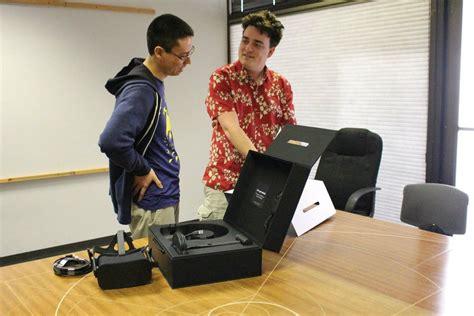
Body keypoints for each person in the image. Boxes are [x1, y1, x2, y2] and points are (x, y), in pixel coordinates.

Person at [99, 14, 194, 239]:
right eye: (182, 56)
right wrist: (142, 168)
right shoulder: (141, 90)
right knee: (156, 271)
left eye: (190, 54)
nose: (188, 62)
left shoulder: (153, 82)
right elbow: (111, 141)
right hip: (152, 204)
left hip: (164, 197)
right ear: (159, 52)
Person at [198, 10, 297, 221]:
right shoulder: (222, 78)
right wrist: (264, 167)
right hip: (225, 183)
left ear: (270, 51)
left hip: (262, 187)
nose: (247, 48)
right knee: (218, 251)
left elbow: (291, 132)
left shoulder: (281, 85)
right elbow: (230, 127)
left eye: (257, 44)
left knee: (260, 251)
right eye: (245, 40)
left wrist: (289, 173)